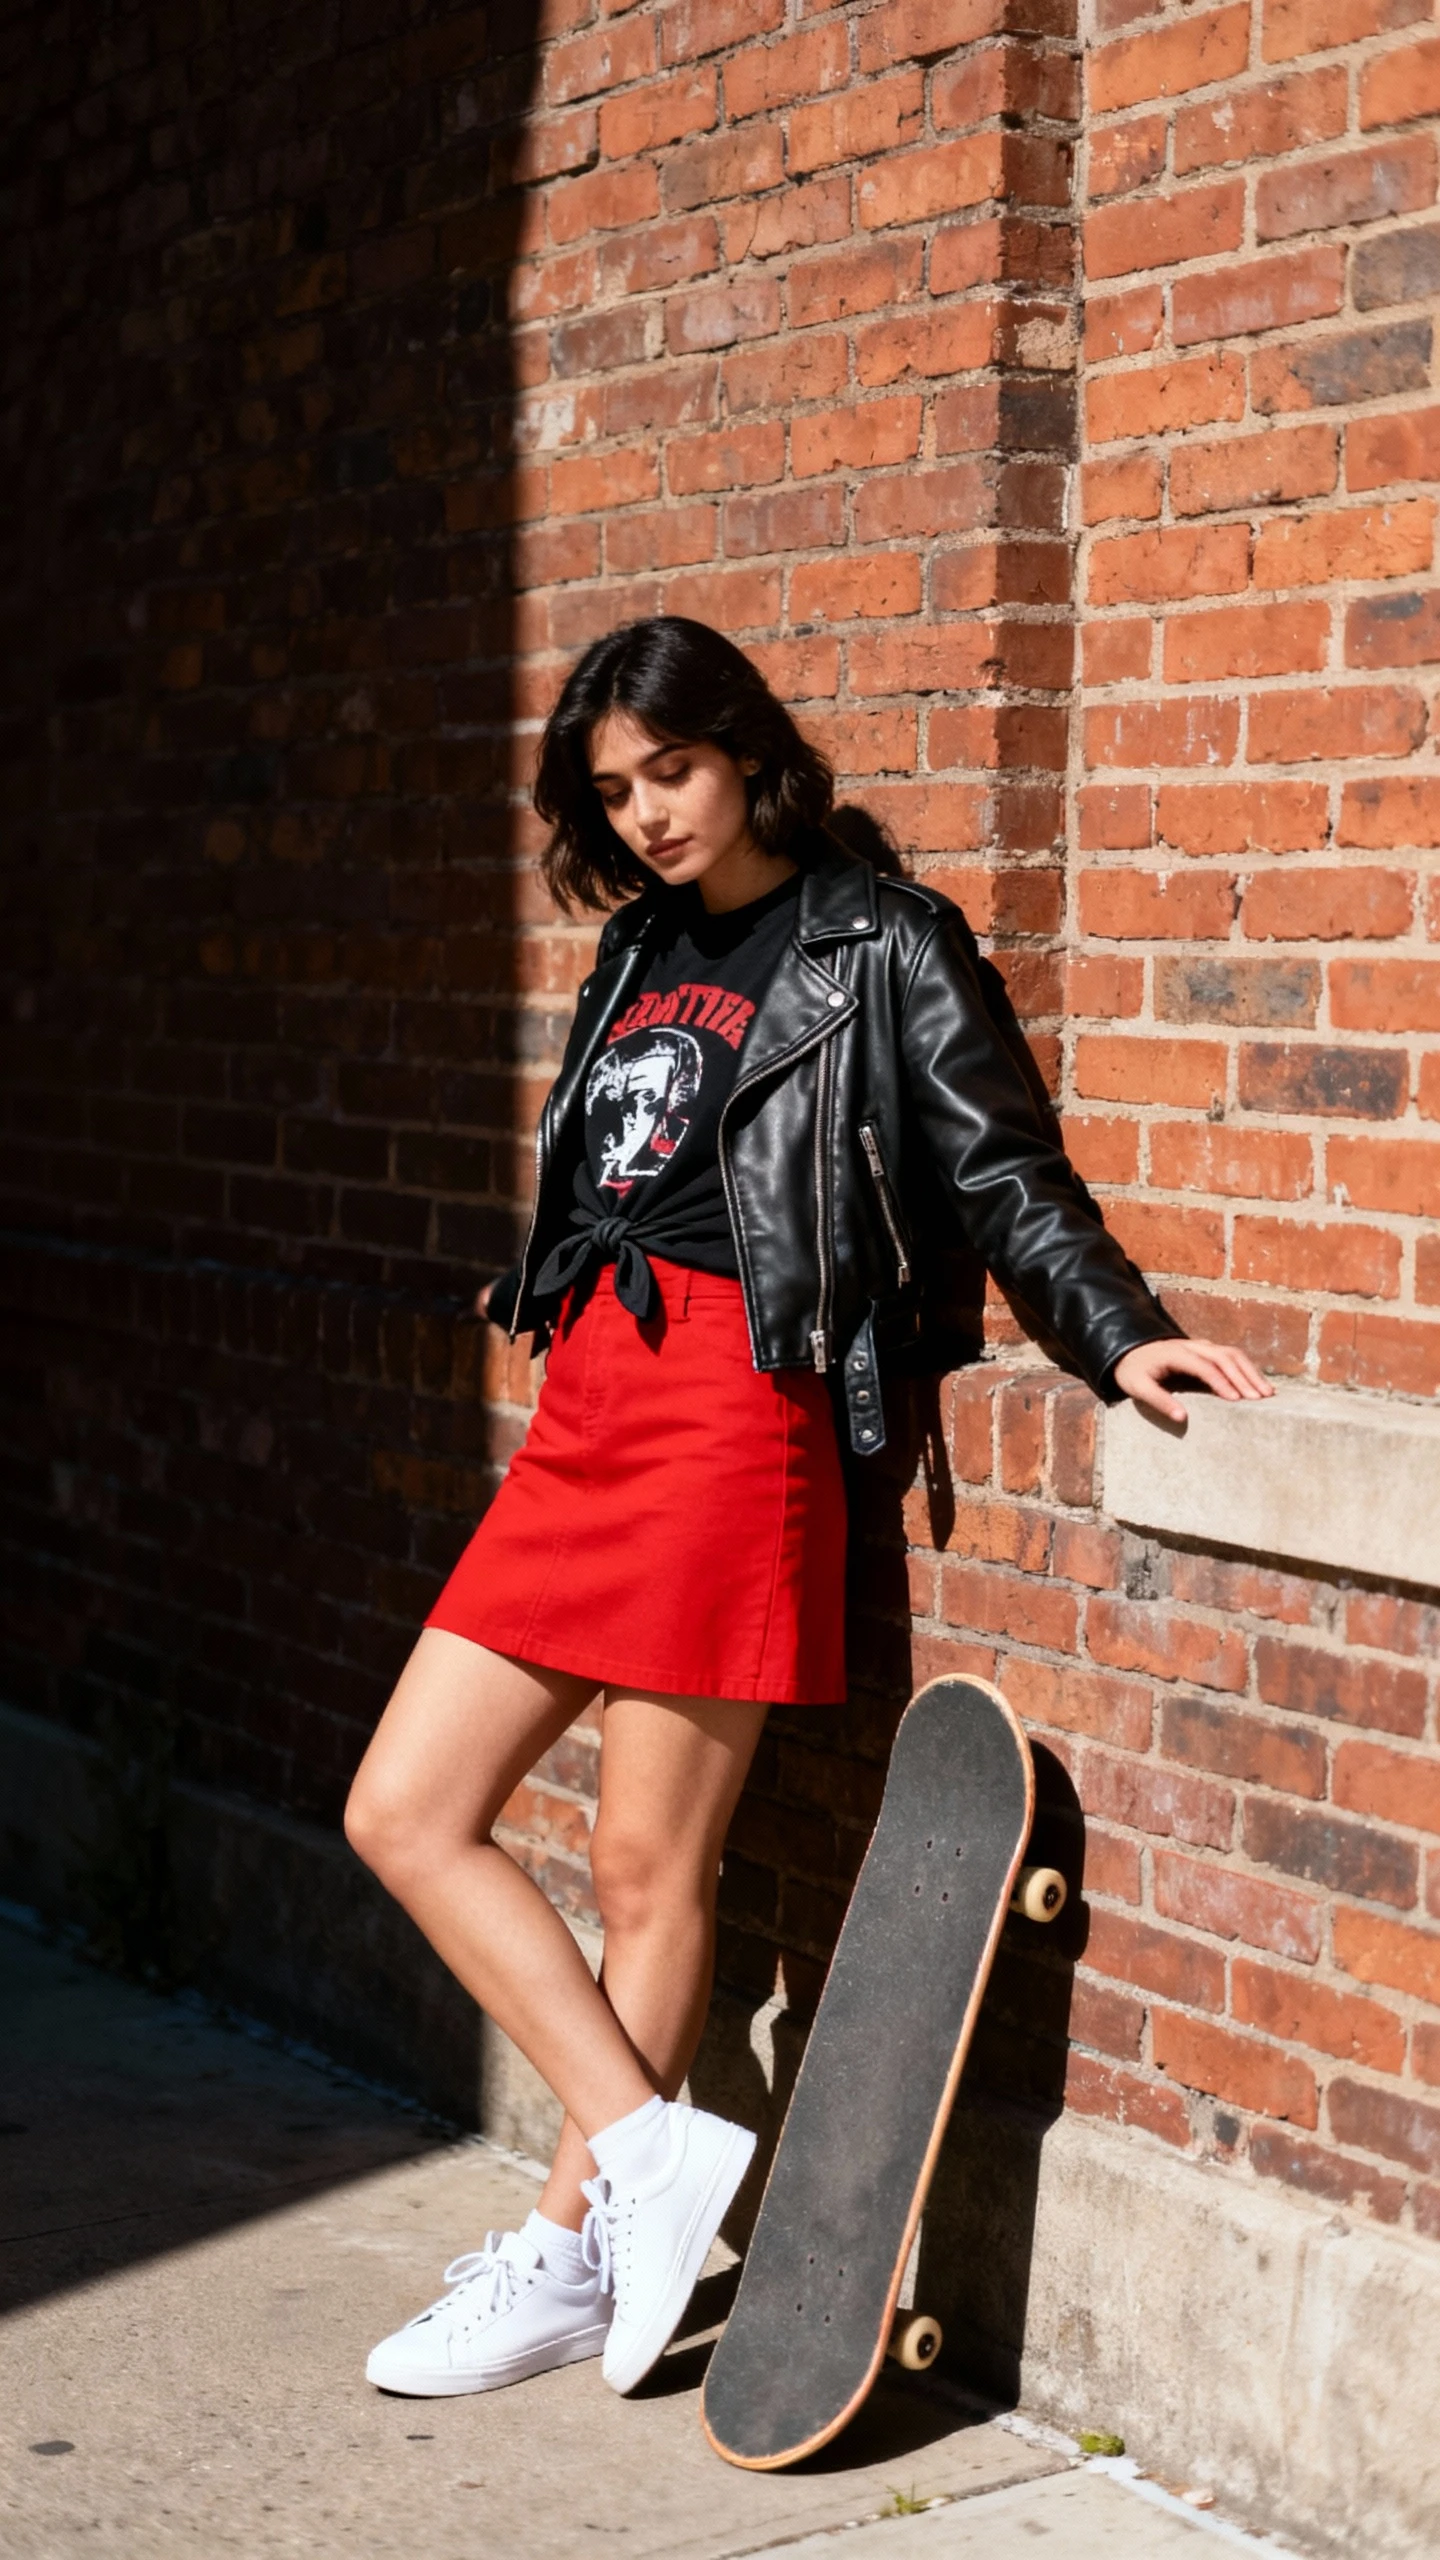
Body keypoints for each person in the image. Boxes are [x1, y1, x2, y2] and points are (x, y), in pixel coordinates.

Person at [343, 615, 1270, 2402]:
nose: (646, 818)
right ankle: (650, 2146)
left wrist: (1121, 1338)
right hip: (590, 1407)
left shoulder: (883, 941)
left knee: (643, 1864)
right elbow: (627, 1160)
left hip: (727, 1406)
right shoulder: (632, 952)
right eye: (611, 794)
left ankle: (564, 2244)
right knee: (404, 1805)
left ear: (746, 747)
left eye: (669, 772)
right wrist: (537, 1272)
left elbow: (1003, 1169)